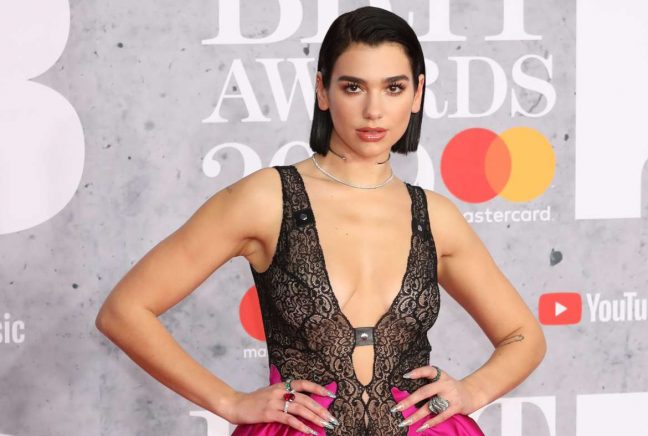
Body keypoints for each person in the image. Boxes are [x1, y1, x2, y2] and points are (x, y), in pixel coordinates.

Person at [95, 6, 546, 436]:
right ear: (322, 90)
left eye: (393, 88)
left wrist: (471, 391)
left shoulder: (435, 217)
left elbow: (523, 336)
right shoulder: (265, 199)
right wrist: (229, 402)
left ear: (417, 94)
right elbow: (124, 311)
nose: (374, 110)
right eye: (353, 87)